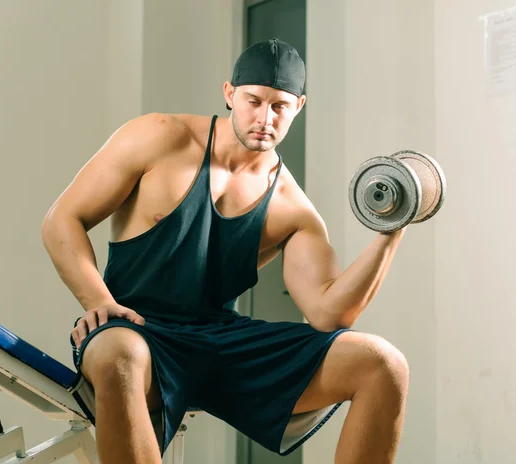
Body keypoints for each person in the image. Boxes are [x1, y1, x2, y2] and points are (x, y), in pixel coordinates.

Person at [41, 38, 409, 464]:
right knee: (118, 355)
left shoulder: (292, 207)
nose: (264, 118)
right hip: (135, 328)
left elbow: (328, 314)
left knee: (383, 363)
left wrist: (391, 229)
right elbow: (61, 221)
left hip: (220, 340)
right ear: (230, 94)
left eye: (280, 107)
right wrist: (99, 302)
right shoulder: (159, 137)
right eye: (253, 101)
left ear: (299, 107)